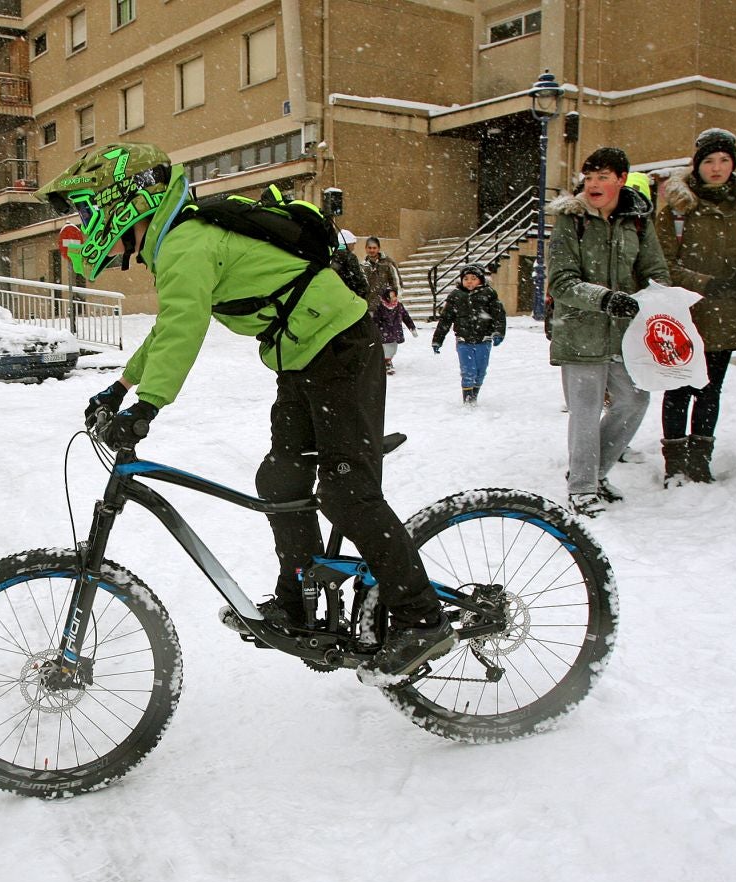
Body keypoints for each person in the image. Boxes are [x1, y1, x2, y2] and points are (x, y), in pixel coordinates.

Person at [35, 142, 453, 679]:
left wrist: (148, 406)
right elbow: (169, 328)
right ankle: (299, 603)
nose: (87, 224)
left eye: (89, 210)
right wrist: (120, 388)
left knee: (347, 492)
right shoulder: (176, 243)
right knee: (281, 479)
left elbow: (185, 329)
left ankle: (423, 621)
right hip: (305, 360)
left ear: (125, 202)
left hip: (342, 352)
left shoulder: (185, 240)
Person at [546, 146, 671, 517]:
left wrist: (659, 299)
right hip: (580, 330)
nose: (594, 184)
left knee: (635, 400)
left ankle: (596, 472)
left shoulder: (637, 222)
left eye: (603, 176)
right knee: (584, 411)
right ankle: (582, 488)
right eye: (589, 177)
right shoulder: (572, 221)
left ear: (621, 179)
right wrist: (604, 299)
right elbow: (562, 281)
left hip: (625, 333)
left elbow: (655, 271)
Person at [655, 128, 736, 485]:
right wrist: (705, 283)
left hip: (726, 313)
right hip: (684, 316)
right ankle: (675, 462)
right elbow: (663, 262)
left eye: (724, 160)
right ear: (697, 164)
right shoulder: (677, 208)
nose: (717, 167)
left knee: (709, 390)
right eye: (709, 160)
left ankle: (700, 459)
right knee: (677, 389)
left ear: (734, 164)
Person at [431, 263, 505, 404]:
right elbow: (445, 320)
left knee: (480, 371)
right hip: (463, 341)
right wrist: (437, 340)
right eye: (466, 278)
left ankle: (475, 394)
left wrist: (498, 333)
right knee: (468, 371)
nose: (469, 281)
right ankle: (468, 399)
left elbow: (499, 316)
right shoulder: (456, 296)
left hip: (484, 340)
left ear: (481, 280)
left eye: (473, 278)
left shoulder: (489, 294)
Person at [372, 287, 417, 375]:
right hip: (384, 332)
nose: (394, 298)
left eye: (394, 296)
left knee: (393, 350)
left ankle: (386, 361)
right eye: (391, 296)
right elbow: (376, 320)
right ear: (386, 297)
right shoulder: (380, 307)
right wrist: (374, 330)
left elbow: (406, 317)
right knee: (387, 349)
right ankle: (387, 363)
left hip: (396, 332)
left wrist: (412, 328)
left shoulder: (399, 306)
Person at [361, 236, 404, 313]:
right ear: (366, 248)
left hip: (387, 306)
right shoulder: (363, 266)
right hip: (370, 307)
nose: (372, 250)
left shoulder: (387, 263)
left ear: (379, 248)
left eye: (374, 248)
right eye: (369, 248)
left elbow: (396, 281)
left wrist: (395, 296)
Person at [331, 228, 369, 296]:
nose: (353, 248)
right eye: (353, 244)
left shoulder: (332, 255)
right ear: (347, 243)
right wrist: (364, 290)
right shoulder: (349, 256)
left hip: (334, 293)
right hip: (349, 294)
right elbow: (357, 277)